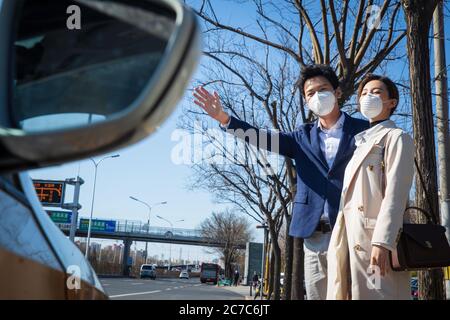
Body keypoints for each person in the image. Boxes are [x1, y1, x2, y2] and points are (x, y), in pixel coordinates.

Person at [193, 64, 369, 300]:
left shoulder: (365, 130)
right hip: (314, 235)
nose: (318, 96)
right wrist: (225, 119)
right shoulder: (301, 137)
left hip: (352, 231)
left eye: (323, 89)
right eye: (310, 93)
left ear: (337, 92)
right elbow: (263, 138)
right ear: (307, 101)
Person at [326, 74, 414, 300]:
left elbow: (396, 194)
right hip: (350, 240)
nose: (368, 97)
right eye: (364, 93)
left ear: (392, 102)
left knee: (379, 295)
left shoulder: (397, 137)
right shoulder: (360, 143)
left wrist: (382, 242)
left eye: (375, 92)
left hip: (376, 243)